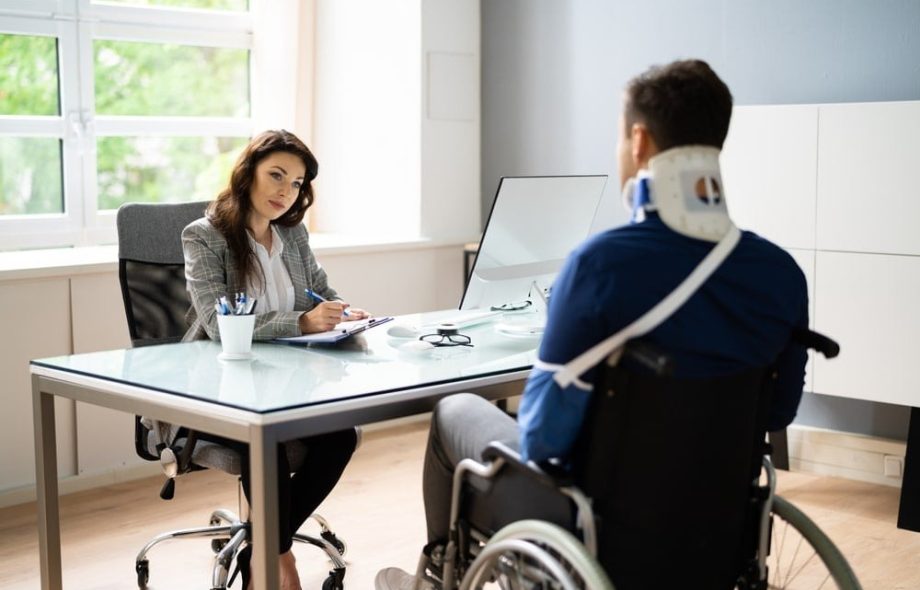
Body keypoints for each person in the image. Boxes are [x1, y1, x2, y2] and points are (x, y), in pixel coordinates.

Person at [375, 59, 809, 590]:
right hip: (718, 517)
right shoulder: (780, 272)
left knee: (454, 411)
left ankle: (437, 579)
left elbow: (542, 440)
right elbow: (779, 410)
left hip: (602, 521)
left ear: (640, 141)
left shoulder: (603, 265)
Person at [182, 129, 366, 590]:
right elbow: (213, 322)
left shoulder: (292, 234)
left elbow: (323, 291)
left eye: (298, 183)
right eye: (277, 176)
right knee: (265, 441)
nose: (286, 192)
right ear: (248, 174)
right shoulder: (205, 237)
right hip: (222, 387)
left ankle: (264, 548)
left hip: (290, 382)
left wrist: (344, 312)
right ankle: (279, 560)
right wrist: (301, 323)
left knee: (340, 435)